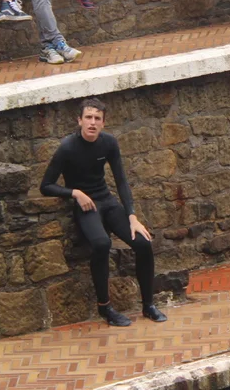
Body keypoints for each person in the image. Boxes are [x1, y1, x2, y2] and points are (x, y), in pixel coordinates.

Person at [39, 97, 166, 327]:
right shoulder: (68, 147)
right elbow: (46, 186)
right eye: (88, 117)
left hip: (106, 201)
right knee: (101, 244)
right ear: (79, 120)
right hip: (86, 206)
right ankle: (105, 307)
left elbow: (121, 181)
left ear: (103, 123)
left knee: (143, 242)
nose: (92, 122)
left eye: (97, 118)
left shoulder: (108, 143)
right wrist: (74, 193)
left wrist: (132, 217)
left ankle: (148, 305)